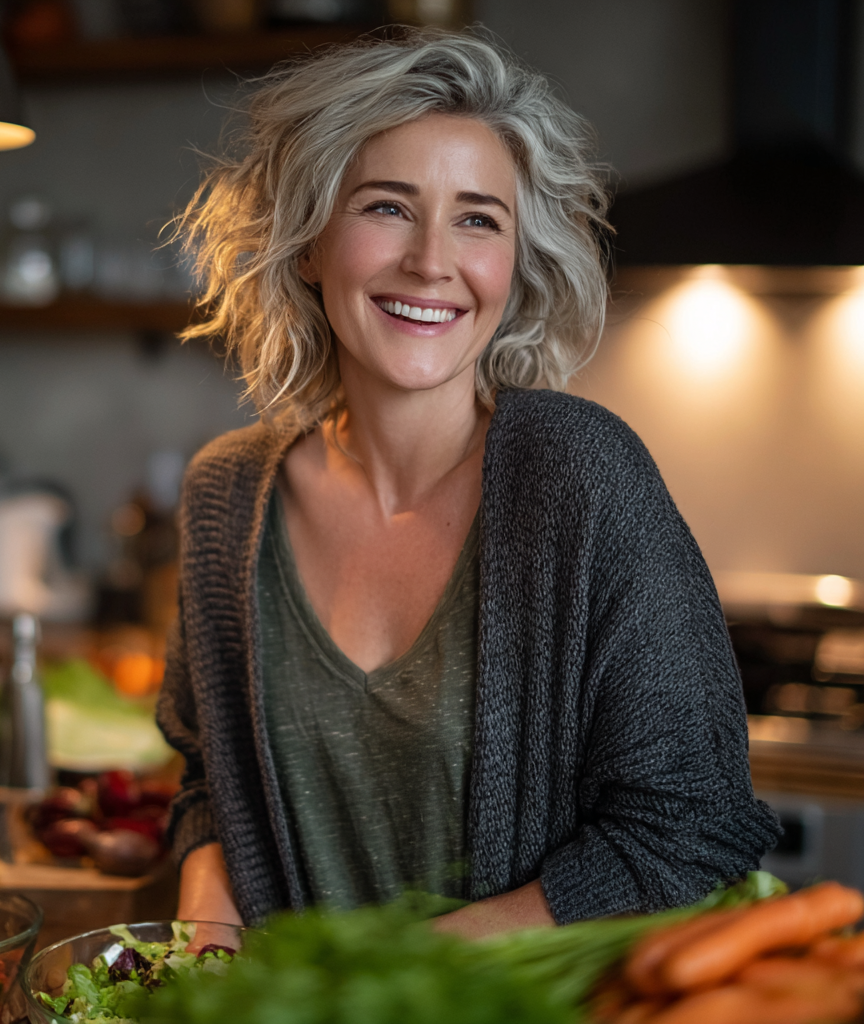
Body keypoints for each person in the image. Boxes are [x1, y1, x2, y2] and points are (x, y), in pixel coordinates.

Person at [156, 28, 780, 943]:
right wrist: (206, 929)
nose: (431, 261)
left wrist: (396, 987)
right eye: (387, 208)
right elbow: (211, 782)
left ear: (515, 266)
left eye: (478, 218)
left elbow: (693, 826)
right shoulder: (225, 497)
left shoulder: (583, 477)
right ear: (305, 245)